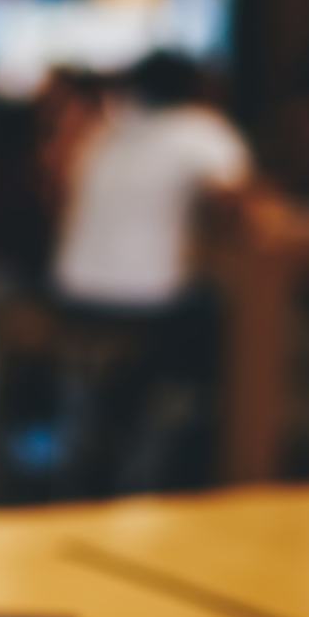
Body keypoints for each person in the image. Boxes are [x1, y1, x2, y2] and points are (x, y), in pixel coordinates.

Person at [47, 52, 250, 493]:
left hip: (73, 297)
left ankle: (116, 436)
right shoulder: (199, 130)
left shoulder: (105, 133)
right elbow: (240, 204)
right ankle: (200, 463)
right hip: (147, 308)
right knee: (232, 322)